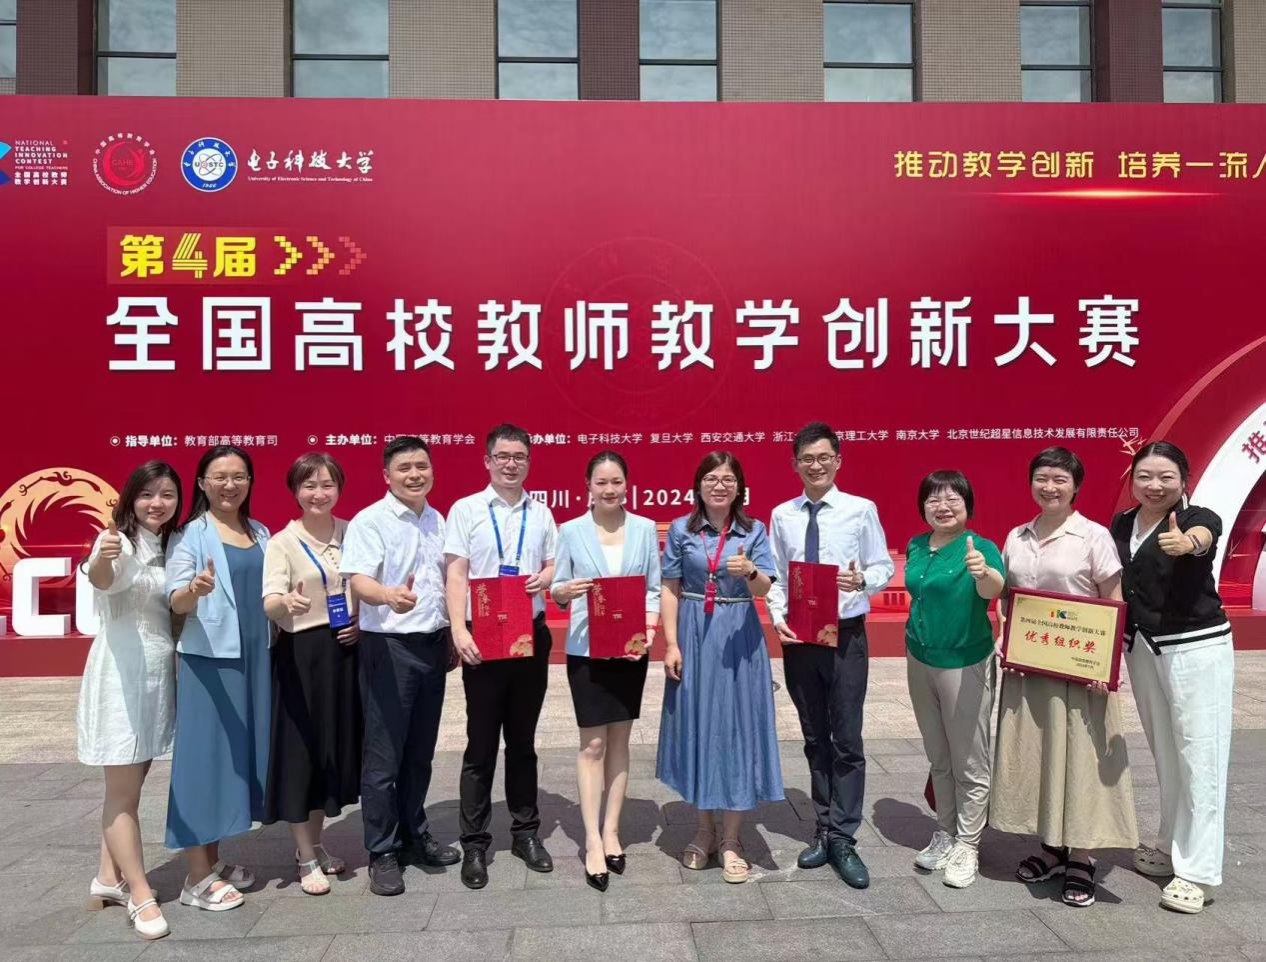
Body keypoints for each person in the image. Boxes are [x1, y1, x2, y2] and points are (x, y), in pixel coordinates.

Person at [992, 447, 1137, 908]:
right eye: (1042, 478)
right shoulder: (1017, 536)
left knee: (1082, 760)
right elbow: (1007, 597)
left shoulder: (1093, 536)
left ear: (1076, 486)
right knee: (1040, 754)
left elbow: (1113, 600)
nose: (1049, 487)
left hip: (1080, 670)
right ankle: (1052, 847)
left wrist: (1106, 665)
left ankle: (1081, 856)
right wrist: (1006, 638)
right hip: (1030, 667)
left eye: (1059, 479)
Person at [766, 422, 894, 889]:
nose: (815, 466)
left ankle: (843, 837)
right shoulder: (782, 515)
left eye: (824, 457)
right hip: (800, 639)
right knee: (814, 736)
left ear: (838, 461)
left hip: (845, 636)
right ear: (795, 464)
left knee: (847, 739)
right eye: (807, 459)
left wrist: (863, 581)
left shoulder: (860, 510)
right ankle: (823, 828)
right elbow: (776, 575)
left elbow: (882, 565)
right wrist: (777, 615)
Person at [1110, 441, 1233, 914]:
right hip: (1142, 648)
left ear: (1184, 480)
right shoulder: (1123, 523)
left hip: (1195, 647)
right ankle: (1168, 846)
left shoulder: (1198, 517)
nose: (1154, 486)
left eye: (1166, 477)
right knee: (1166, 750)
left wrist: (1189, 543)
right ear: (1132, 479)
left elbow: (1203, 536)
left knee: (1200, 754)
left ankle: (1198, 872)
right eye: (1145, 476)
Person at [340, 436, 459, 896]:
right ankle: (382, 850)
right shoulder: (371, 520)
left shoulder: (438, 520)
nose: (415, 475)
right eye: (404, 468)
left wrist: (451, 632)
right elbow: (359, 579)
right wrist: (387, 595)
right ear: (386, 475)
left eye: (421, 466)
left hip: (432, 644)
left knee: (419, 753)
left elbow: (446, 582)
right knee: (384, 757)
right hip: (388, 647)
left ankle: (414, 834)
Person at [657, 451, 783, 884]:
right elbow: (670, 587)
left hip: (738, 637)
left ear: (739, 488)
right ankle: (703, 829)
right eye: (711, 478)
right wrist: (671, 643)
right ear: (698, 485)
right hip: (694, 633)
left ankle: (731, 839)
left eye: (728, 479)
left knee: (736, 730)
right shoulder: (681, 529)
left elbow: (764, 588)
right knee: (699, 726)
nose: (719, 485)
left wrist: (750, 570)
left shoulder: (754, 530)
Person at [443, 424, 558, 889]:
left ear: (528, 462)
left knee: (523, 743)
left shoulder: (542, 513)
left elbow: (553, 563)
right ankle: (474, 843)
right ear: (488, 461)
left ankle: (526, 833)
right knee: (481, 744)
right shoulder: (466, 510)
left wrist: (546, 577)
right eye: (503, 456)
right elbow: (456, 573)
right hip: (484, 638)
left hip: (529, 637)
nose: (511, 464)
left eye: (519, 457)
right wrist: (457, 629)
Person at [77, 461, 182, 940]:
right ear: (130, 498)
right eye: (147, 494)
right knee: (121, 790)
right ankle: (140, 894)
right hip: (121, 677)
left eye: (167, 494)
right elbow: (101, 577)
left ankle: (107, 877)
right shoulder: (115, 541)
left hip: (157, 677)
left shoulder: (167, 544)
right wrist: (103, 556)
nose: (157, 503)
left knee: (133, 783)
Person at [165, 445, 271, 911]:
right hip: (210, 663)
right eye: (220, 476)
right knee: (203, 761)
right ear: (202, 483)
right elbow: (175, 600)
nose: (230, 485)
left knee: (234, 761)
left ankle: (213, 860)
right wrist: (194, 589)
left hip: (257, 659)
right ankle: (195, 877)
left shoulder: (261, 531)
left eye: (239, 476)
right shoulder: (190, 535)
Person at [550, 451, 661, 891]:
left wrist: (648, 631)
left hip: (630, 649)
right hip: (587, 650)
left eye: (616, 482)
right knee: (592, 743)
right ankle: (592, 839)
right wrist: (565, 589)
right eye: (601, 482)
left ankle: (612, 830)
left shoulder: (645, 529)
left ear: (627, 485)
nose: (609, 489)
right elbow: (556, 590)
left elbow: (653, 589)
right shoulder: (571, 531)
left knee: (619, 740)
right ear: (588, 486)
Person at [261, 452, 362, 896]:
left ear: (339, 488)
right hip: (302, 654)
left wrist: (361, 621)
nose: (318, 493)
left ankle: (317, 843)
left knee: (329, 751)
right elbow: (269, 601)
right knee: (302, 752)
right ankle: (304, 855)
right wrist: (286, 603)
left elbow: (364, 585)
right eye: (309, 485)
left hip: (346, 650)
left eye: (326, 484)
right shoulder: (282, 542)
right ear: (295, 491)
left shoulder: (353, 532)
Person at [904, 470, 1004, 889]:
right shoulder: (916, 545)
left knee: (969, 759)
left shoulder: (981, 548)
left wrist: (982, 572)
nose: (942, 507)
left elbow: (994, 590)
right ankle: (945, 832)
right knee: (939, 756)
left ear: (967, 505)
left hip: (964, 663)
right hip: (919, 659)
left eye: (952, 500)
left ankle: (968, 843)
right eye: (933, 499)